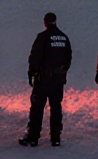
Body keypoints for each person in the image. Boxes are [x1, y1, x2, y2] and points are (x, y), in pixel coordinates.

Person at [19, 12, 72, 147]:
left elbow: (35, 56)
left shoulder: (43, 37)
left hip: (43, 80)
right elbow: (68, 58)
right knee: (56, 108)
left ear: (45, 22)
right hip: (58, 80)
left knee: (37, 107)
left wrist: (31, 72)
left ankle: (33, 136)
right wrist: (62, 71)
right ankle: (55, 137)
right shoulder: (63, 38)